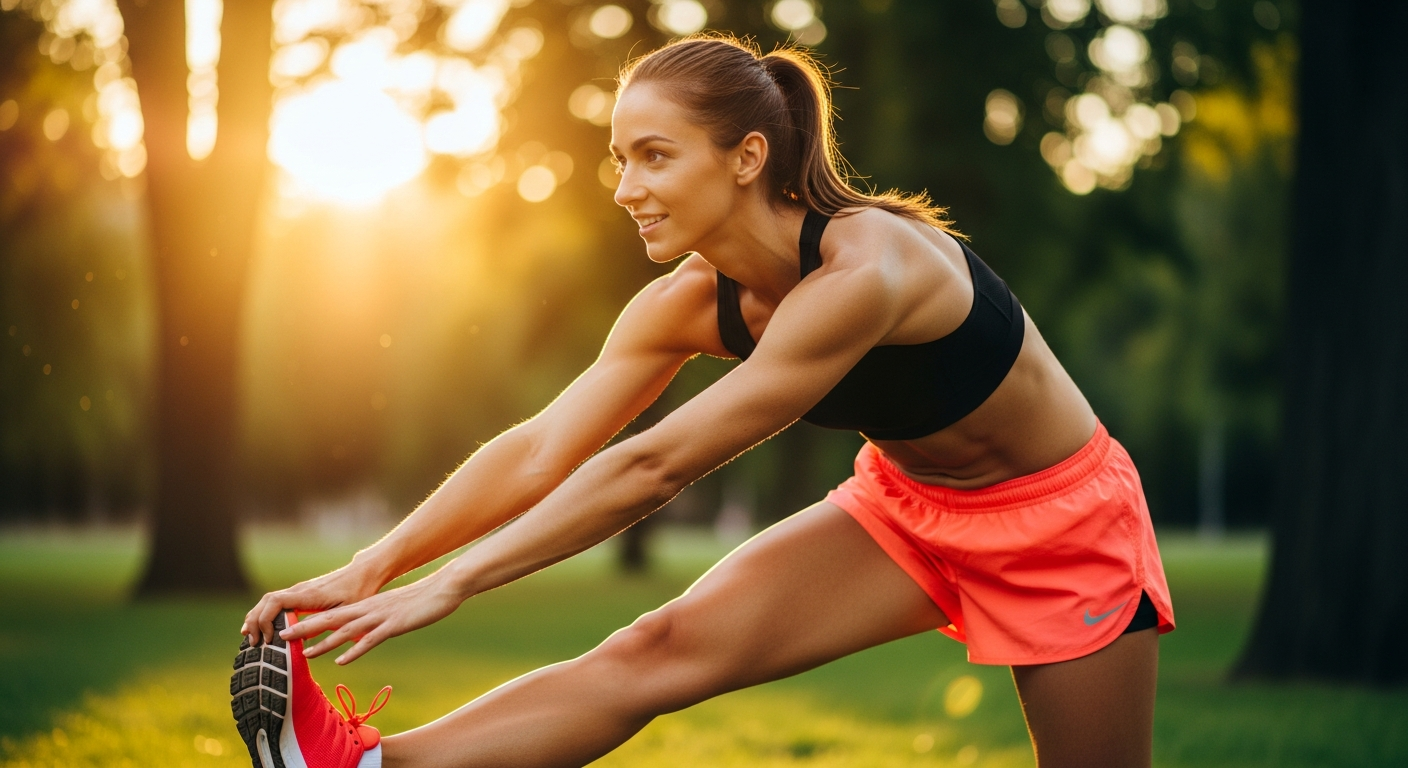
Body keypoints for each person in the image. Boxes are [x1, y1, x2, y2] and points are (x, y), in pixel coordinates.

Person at [232, 34, 1174, 768]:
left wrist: (454, 584)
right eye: (619, 159)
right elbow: (538, 448)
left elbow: (656, 464)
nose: (626, 188)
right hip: (907, 511)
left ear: (745, 157)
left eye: (653, 156)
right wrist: (376, 563)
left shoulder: (869, 268)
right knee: (660, 645)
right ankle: (362, 763)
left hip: (1063, 527)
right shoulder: (687, 302)